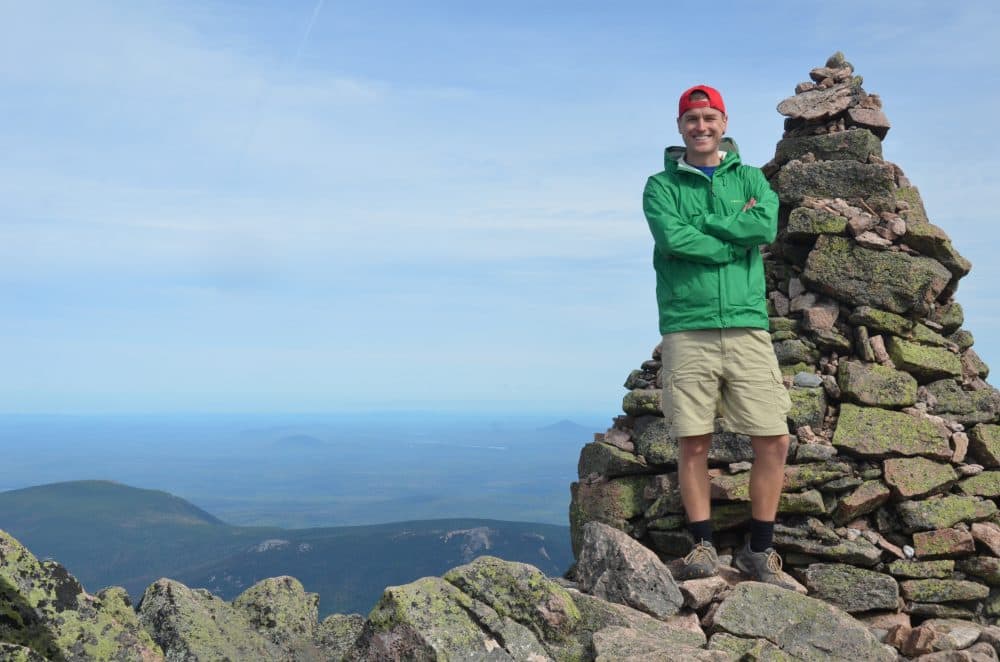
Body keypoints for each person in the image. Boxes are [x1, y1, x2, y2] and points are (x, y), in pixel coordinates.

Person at [642, 84, 794, 589]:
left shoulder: (751, 177)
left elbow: (764, 225)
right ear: (680, 126)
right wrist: (734, 230)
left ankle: (760, 549)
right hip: (688, 324)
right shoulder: (660, 187)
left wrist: (708, 224)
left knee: (772, 437)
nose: (701, 127)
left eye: (709, 118)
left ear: (724, 123)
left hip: (747, 325)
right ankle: (703, 545)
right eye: (692, 120)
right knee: (693, 441)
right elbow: (673, 238)